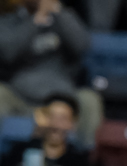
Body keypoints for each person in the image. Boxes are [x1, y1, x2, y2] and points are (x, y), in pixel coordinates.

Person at [0, 0, 103, 147]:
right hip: (21, 98)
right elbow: (8, 52)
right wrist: (35, 21)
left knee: (90, 100)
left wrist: (58, 12)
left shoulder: (63, 19)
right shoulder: (10, 21)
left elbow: (83, 45)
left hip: (63, 99)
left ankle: (82, 159)